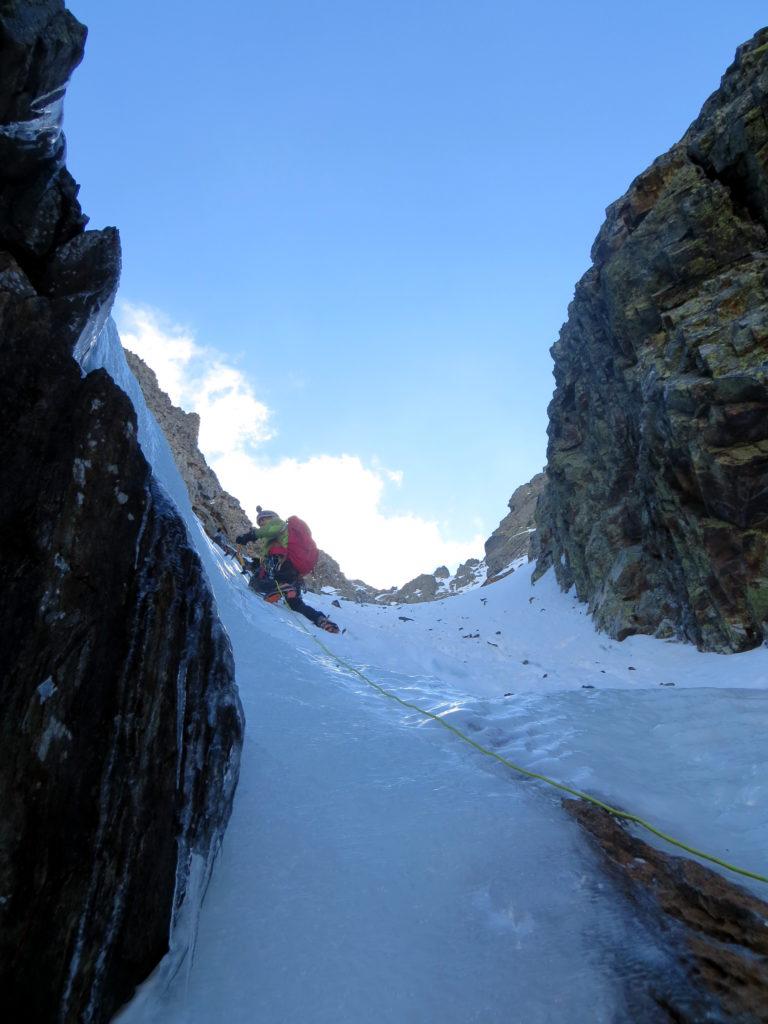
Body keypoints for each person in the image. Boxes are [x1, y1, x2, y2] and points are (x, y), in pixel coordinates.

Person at [236, 508, 340, 633]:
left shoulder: (277, 523)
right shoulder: (284, 533)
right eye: (259, 522)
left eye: (263, 519)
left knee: (254, 584)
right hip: (293, 574)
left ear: (272, 517)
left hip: (282, 566)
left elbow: (268, 532)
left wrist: (249, 536)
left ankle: (281, 587)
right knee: (295, 604)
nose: (261, 523)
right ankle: (320, 619)